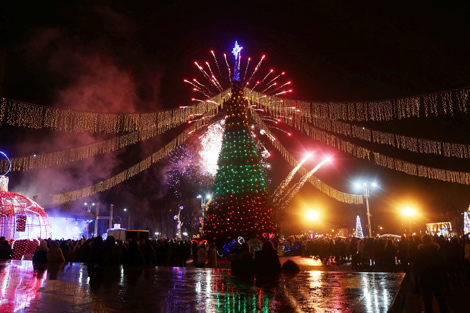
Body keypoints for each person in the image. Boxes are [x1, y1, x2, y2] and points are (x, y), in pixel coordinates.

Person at [414, 235, 449, 313]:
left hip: (425, 278)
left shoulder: (420, 252)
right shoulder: (436, 250)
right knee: (441, 299)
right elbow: (442, 263)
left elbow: (416, 265)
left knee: (427, 301)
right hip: (437, 277)